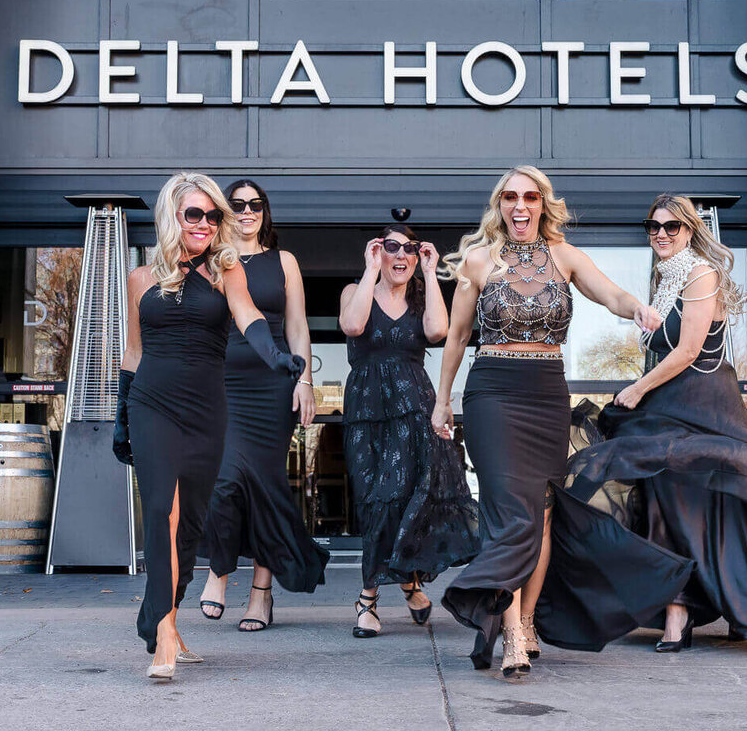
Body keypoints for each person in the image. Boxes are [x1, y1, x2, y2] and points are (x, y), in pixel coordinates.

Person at [535, 194, 747, 655]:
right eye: (654, 227)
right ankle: (686, 605)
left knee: (709, 501)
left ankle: (721, 606)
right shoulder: (664, 278)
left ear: (690, 231)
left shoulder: (700, 274)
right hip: (665, 405)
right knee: (663, 499)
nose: (662, 235)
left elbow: (689, 350)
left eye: (672, 227)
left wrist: (636, 389)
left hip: (703, 404)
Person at [431, 166, 662, 677]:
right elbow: (457, 336)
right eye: (510, 197)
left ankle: (528, 618)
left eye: (529, 197)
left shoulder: (565, 256)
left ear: (542, 204)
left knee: (540, 515)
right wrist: (443, 399)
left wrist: (637, 310)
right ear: (499, 205)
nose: (519, 205)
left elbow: (610, 295)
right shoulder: (477, 261)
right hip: (492, 391)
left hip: (546, 392)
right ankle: (510, 633)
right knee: (507, 511)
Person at [112, 172, 303, 680]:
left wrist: (277, 356)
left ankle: (164, 613)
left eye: (212, 215)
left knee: (190, 524)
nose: (204, 223)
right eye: (194, 213)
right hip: (152, 402)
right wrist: (120, 415)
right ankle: (165, 637)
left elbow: (248, 317)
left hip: (207, 407)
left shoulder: (226, 269)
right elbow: (133, 352)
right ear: (172, 216)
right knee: (160, 512)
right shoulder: (140, 278)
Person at [198, 179, 330, 632]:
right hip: (222, 383)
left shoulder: (284, 261)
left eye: (256, 204)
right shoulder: (210, 260)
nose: (248, 211)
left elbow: (296, 325)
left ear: (264, 212)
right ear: (225, 211)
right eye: (238, 205)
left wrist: (306, 380)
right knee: (225, 481)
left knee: (266, 486)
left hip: (273, 384)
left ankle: (261, 594)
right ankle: (218, 570)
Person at [340, 224, 480, 638]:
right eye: (391, 247)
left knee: (406, 498)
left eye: (410, 250)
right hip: (366, 410)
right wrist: (370, 271)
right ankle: (409, 586)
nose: (401, 255)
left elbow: (439, 332)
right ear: (378, 252)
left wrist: (432, 273)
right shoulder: (355, 290)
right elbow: (351, 325)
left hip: (413, 407)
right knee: (375, 501)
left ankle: (368, 599)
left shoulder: (422, 298)